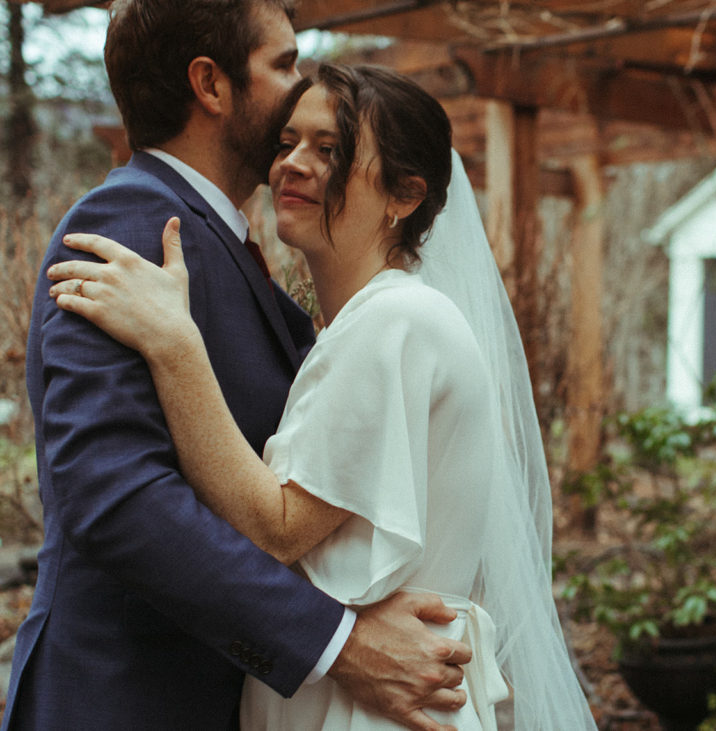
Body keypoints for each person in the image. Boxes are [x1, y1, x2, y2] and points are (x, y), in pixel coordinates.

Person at [46, 63, 598, 730]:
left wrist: (175, 347)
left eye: (329, 149)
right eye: (287, 143)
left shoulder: (395, 324)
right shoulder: (367, 323)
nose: (292, 165)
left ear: (404, 194)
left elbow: (278, 527)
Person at [6, 2, 471, 730]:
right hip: (128, 700)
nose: (302, 84)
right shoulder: (130, 229)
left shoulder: (229, 249)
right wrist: (336, 642)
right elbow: (115, 495)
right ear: (211, 85)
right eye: (284, 64)